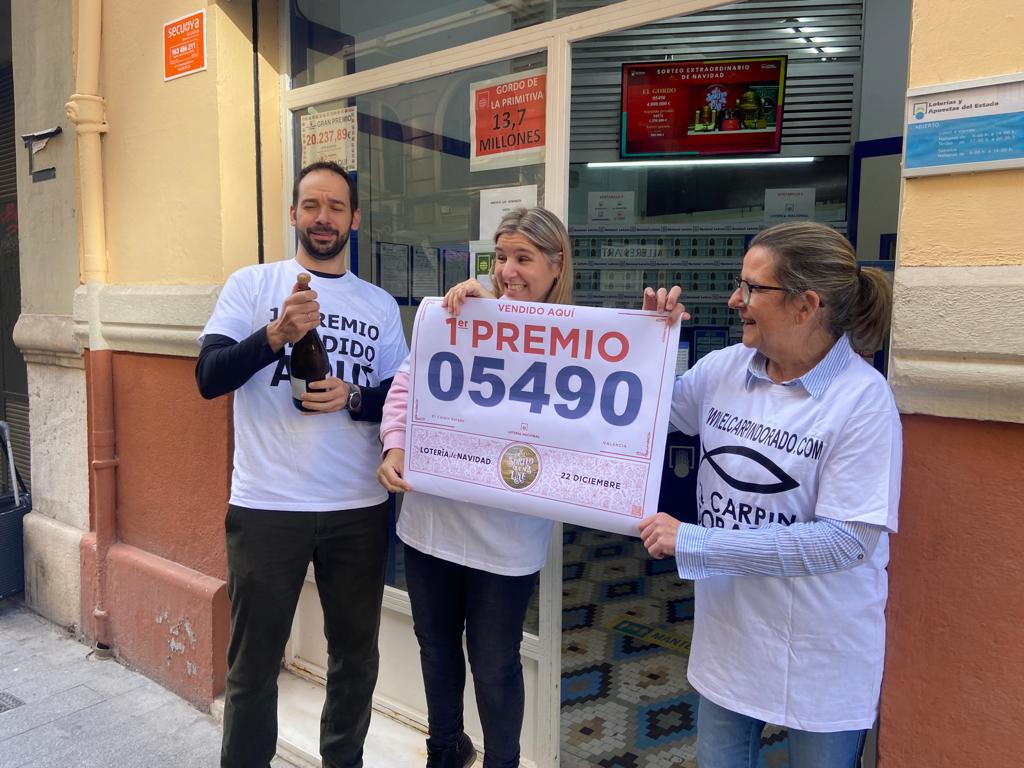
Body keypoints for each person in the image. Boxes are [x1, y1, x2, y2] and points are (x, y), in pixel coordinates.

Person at [638, 221, 901, 768]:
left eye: (753, 288)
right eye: (741, 284)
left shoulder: (863, 401)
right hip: (731, 642)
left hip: (822, 654)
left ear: (806, 305)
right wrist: (649, 348)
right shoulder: (724, 369)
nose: (736, 300)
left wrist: (700, 542)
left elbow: (844, 542)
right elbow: (641, 419)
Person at [196, 161, 409, 768]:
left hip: (358, 508)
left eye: (336, 207)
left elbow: (402, 394)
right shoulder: (252, 285)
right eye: (311, 205)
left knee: (355, 661)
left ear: (355, 220)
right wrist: (273, 335)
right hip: (267, 507)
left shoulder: (378, 305)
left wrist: (354, 397)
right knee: (253, 667)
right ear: (293, 214)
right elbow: (208, 378)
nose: (323, 217)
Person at [376, 207, 574, 768]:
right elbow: (407, 387)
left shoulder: (579, 336)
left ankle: (501, 761)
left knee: (494, 663)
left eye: (524, 258)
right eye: (501, 256)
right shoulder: (456, 314)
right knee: (436, 650)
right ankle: (445, 748)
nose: (509, 270)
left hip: (506, 538)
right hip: (431, 521)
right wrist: (395, 444)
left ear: (556, 266)